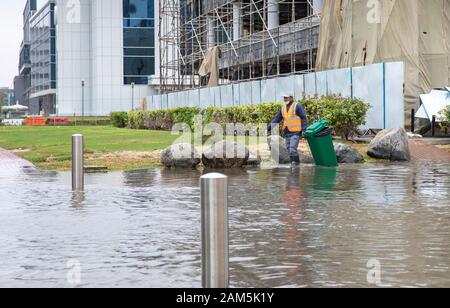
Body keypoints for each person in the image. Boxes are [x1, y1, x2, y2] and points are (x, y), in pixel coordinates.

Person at [268, 94, 308, 166]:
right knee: (289, 149)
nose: (285, 99)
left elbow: (303, 118)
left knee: (292, 149)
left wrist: (304, 129)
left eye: (287, 97)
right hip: (287, 132)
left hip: (296, 131)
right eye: (284, 98)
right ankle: (296, 165)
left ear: (291, 97)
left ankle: (295, 165)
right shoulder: (282, 107)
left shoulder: (297, 105)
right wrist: (269, 127)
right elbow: (277, 119)